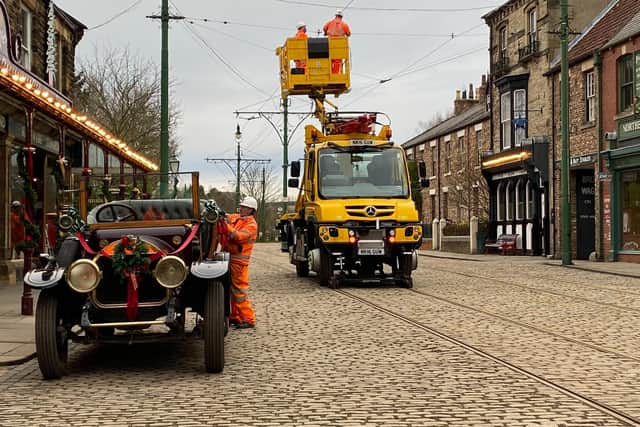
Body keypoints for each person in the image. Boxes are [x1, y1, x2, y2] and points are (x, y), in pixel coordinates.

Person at [225, 196, 259, 328]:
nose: (241, 208)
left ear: (251, 210)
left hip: (238, 264)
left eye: (244, 207)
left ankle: (248, 319)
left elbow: (237, 237)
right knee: (231, 291)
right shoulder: (237, 218)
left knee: (239, 292)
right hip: (230, 260)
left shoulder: (251, 225)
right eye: (241, 206)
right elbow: (228, 217)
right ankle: (235, 316)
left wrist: (226, 227)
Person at [323, 9, 351, 73]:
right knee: (337, 60)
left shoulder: (330, 22)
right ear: (341, 17)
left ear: (335, 16)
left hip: (329, 43)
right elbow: (348, 34)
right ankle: (335, 74)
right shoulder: (344, 24)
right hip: (339, 44)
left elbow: (324, 28)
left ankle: (329, 73)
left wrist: (325, 33)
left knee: (330, 59)